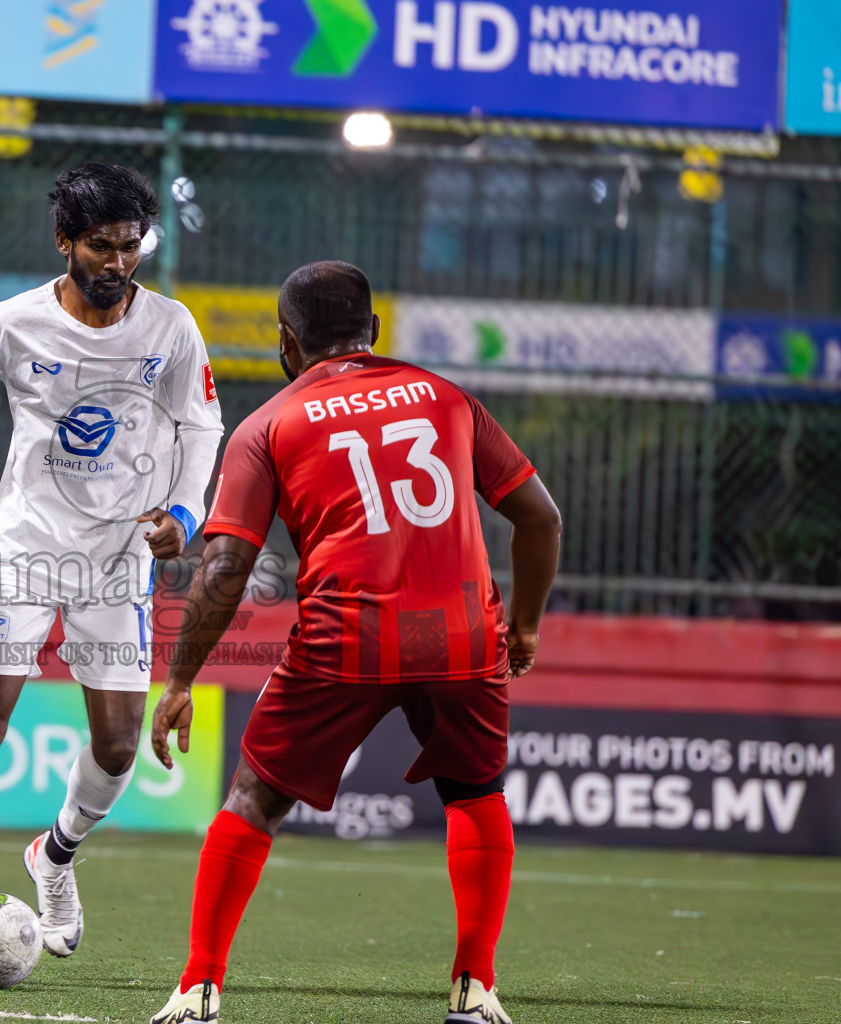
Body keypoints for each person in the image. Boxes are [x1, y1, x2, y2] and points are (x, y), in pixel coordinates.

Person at [147, 262, 562, 1024]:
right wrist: (525, 626)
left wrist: (179, 682)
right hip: (463, 633)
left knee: (253, 799)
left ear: (285, 342)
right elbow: (542, 518)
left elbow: (229, 563)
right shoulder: (447, 398)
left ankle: (200, 985)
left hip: (350, 637)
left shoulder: (269, 424)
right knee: (475, 791)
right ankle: (475, 987)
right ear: (374, 333)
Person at [0, 163, 225, 980]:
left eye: (130, 247)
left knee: (117, 749)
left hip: (119, 560)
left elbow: (202, 424)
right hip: (25, 549)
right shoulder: (12, 324)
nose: (118, 264)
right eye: (101, 247)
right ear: (64, 242)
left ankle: (54, 856)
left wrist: (185, 514)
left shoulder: (173, 328)